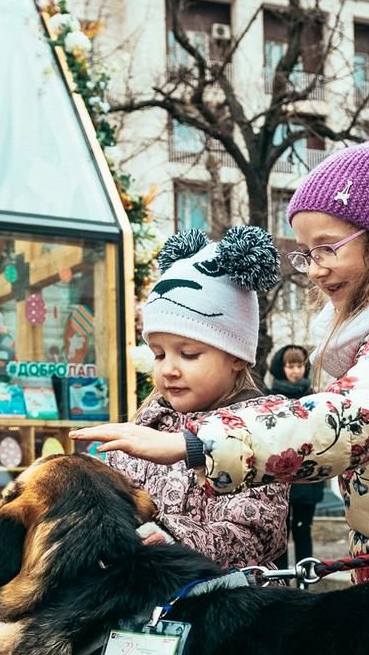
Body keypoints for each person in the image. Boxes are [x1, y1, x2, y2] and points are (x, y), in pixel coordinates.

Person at [75, 139, 369, 581]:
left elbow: (354, 417)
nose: (313, 268)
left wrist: (196, 445)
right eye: (306, 253)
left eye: (327, 248)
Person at [105, 227, 289, 568]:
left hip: (229, 607)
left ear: (236, 356)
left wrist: (167, 538)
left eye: (188, 354)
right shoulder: (147, 424)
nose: (169, 369)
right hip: (146, 605)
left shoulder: (259, 428)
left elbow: (256, 535)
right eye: (159, 354)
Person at [266, 344, 326, 568]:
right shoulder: (269, 398)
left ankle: (305, 578)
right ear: (281, 368)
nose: (296, 371)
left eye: (300, 365)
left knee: (303, 529)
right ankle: (281, 580)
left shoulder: (313, 397)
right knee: (279, 534)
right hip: (277, 476)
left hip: (306, 473)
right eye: (290, 366)